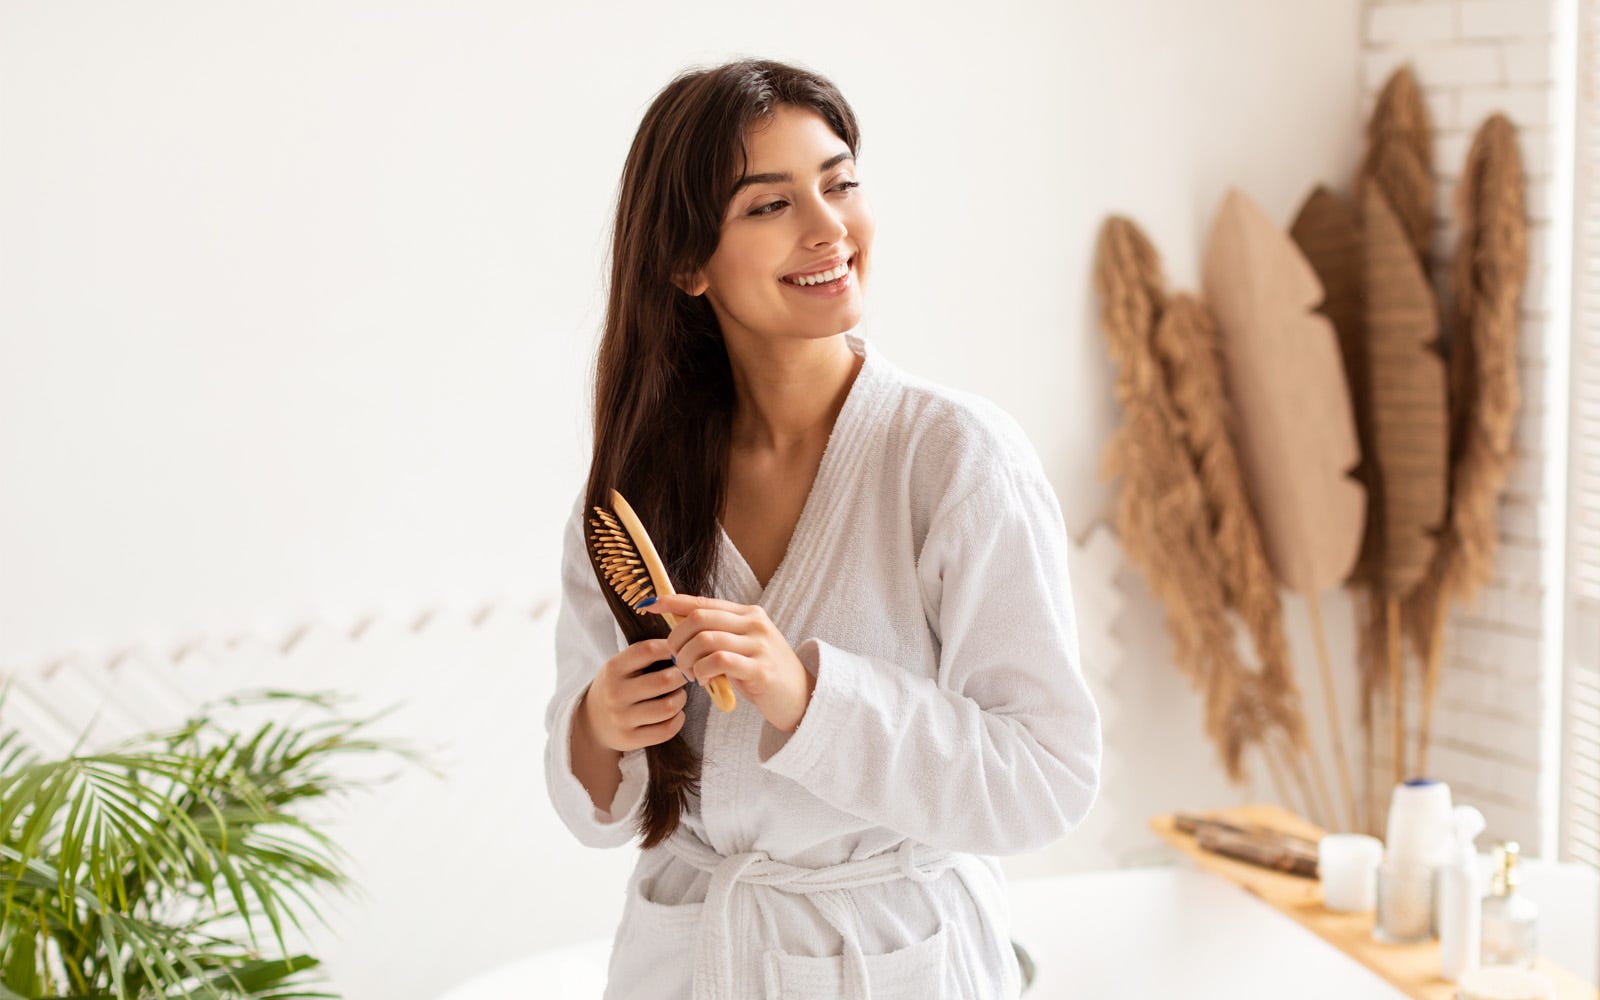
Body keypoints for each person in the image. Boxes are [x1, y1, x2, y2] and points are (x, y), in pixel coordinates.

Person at [544, 57, 1101, 1000]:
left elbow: (1047, 777)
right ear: (686, 262)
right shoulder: (635, 490)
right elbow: (600, 809)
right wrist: (599, 725)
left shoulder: (955, 459)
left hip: (890, 962)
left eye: (839, 182)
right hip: (686, 959)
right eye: (770, 205)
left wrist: (809, 696)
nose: (829, 226)